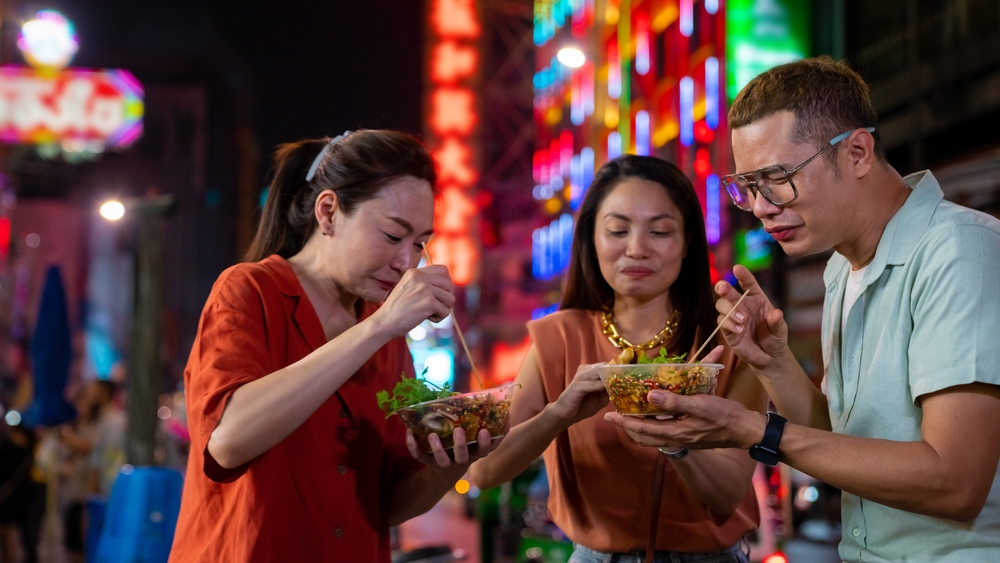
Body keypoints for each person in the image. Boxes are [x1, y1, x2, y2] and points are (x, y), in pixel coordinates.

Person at [604, 56, 1000, 562]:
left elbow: (955, 481)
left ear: (857, 152)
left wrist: (752, 429)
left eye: (777, 177)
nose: (763, 206)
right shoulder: (842, 266)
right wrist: (775, 362)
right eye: (747, 186)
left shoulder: (958, 250)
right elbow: (841, 444)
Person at [168, 129, 499, 563]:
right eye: (392, 235)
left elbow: (389, 504)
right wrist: (378, 326)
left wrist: (455, 461)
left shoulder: (387, 332)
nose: (407, 262)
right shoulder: (249, 290)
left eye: (420, 243)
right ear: (328, 212)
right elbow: (227, 441)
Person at [470, 155, 767, 563]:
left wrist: (673, 439)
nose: (637, 248)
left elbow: (726, 494)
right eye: (617, 230)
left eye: (660, 231)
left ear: (687, 245)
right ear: (591, 239)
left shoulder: (729, 338)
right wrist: (559, 414)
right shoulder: (558, 337)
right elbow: (484, 472)